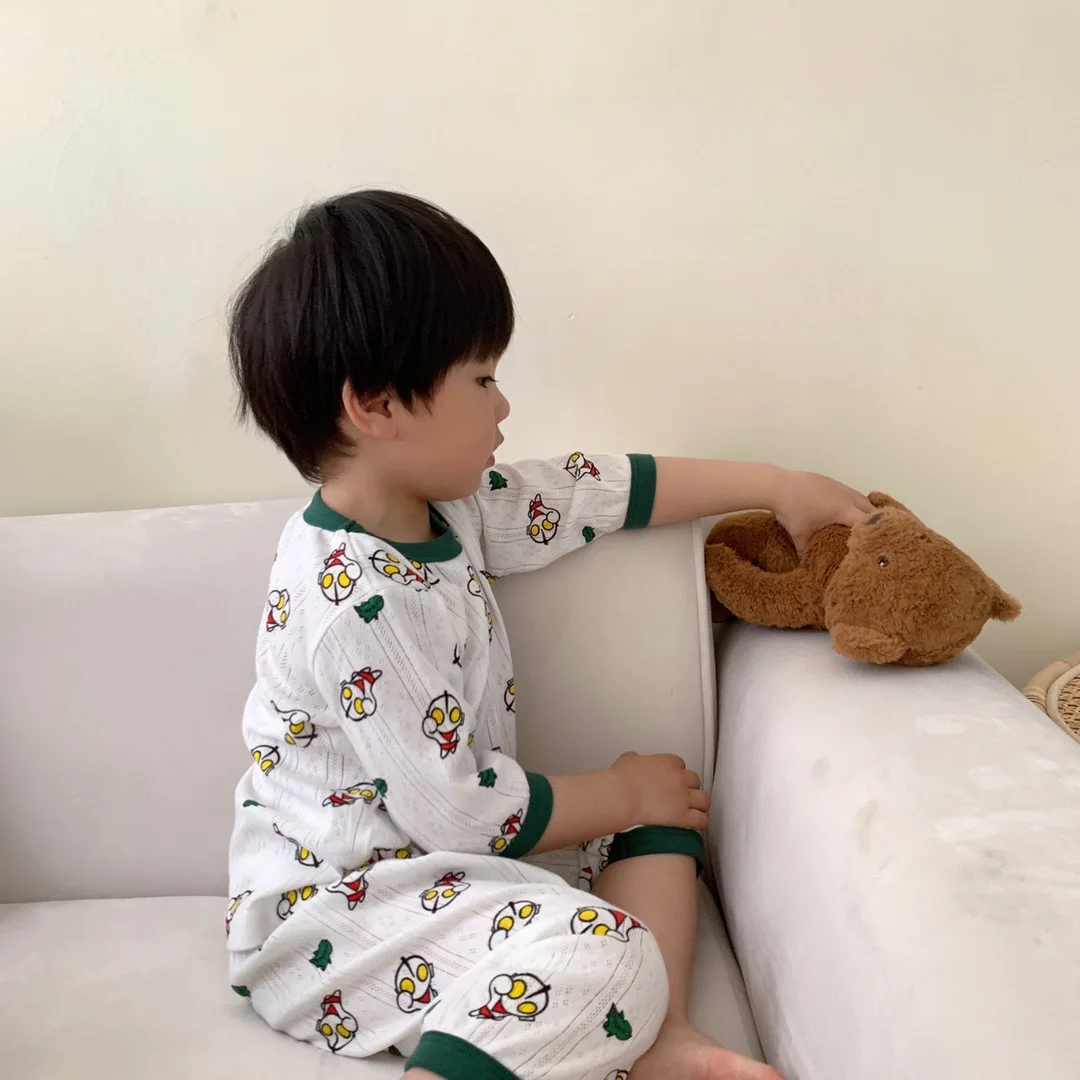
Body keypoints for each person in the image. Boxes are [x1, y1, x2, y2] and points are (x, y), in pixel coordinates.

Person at [225, 190, 871, 1080]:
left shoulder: (446, 510)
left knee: (665, 815)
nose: (503, 406)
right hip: (333, 916)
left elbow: (584, 491)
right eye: (481, 379)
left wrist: (776, 484)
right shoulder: (355, 599)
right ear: (375, 405)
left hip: (437, 873)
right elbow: (455, 811)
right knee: (605, 939)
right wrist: (617, 789)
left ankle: (660, 1037)